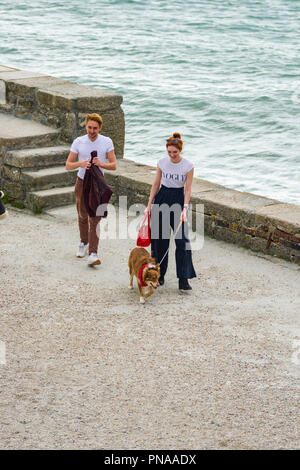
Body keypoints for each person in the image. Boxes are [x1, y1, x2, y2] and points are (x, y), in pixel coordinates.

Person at [145, 132, 196, 291]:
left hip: (178, 200)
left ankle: (183, 279)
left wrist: (185, 209)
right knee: (159, 241)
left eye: (175, 152)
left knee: (182, 241)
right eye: (169, 152)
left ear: (180, 150)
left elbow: (187, 189)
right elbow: (156, 184)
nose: (172, 155)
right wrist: (149, 204)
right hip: (162, 198)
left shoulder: (188, 165)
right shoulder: (162, 162)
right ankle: (158, 275)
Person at [66, 113, 116, 266]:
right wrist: (80, 164)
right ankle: (83, 242)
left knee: (94, 217)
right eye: (89, 127)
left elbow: (113, 165)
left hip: (98, 184)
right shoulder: (79, 142)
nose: (92, 131)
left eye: (95, 128)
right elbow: (68, 164)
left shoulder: (106, 141)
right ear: (86, 126)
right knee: (82, 215)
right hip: (82, 182)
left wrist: (101, 164)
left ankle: (93, 253)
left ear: (100, 128)